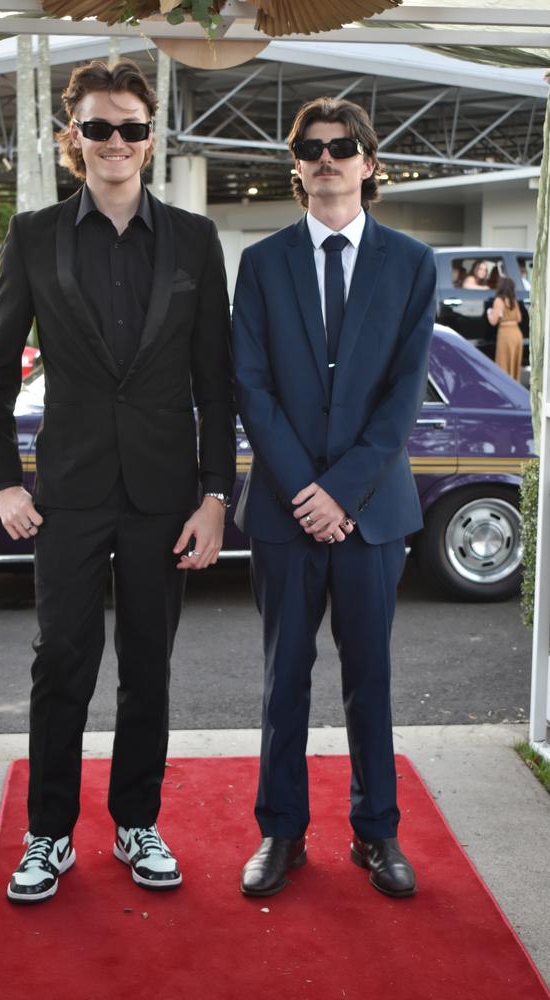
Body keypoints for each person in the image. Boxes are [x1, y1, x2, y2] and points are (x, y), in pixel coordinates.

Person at [0, 58, 235, 905]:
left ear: (151, 139)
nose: (114, 141)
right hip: (70, 494)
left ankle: (135, 822)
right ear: (70, 138)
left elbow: (215, 384)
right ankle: (48, 835)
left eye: (129, 126)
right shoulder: (33, 236)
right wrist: (5, 483)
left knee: (148, 668)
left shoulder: (194, 241)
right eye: (97, 127)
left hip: (163, 496)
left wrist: (214, 494)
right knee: (63, 665)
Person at [233, 97, 436, 899]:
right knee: (284, 678)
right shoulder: (261, 261)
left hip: (373, 512)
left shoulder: (413, 263)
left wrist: (341, 493)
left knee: (371, 678)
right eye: (313, 148)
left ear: (368, 162)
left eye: (342, 146)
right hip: (284, 511)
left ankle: (376, 833)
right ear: (297, 166)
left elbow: (403, 398)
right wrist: (304, 492)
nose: (327, 157)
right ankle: (281, 834)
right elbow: (250, 384)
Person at [487, 276, 524, 381]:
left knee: (503, 364)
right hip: (517, 334)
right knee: (514, 364)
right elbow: (519, 318)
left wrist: (489, 313)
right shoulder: (513, 300)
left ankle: (505, 388)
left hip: (505, 334)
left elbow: (493, 321)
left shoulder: (499, 300)